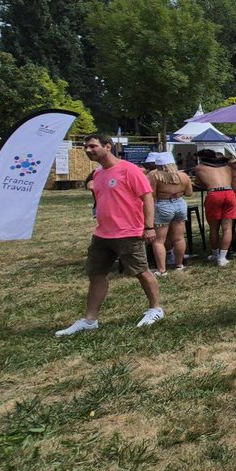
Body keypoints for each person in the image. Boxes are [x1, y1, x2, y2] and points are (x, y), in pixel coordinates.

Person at [55, 133, 163, 337]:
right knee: (96, 273)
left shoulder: (129, 170)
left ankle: (155, 309)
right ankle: (90, 320)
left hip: (128, 231)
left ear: (108, 147)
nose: (88, 150)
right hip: (103, 233)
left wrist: (148, 227)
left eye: (92, 146)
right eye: (86, 147)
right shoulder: (98, 174)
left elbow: (147, 197)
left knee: (141, 271)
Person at [148, 151, 192, 276]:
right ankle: (179, 264)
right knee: (179, 238)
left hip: (163, 204)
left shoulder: (155, 175)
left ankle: (162, 269)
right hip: (180, 204)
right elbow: (189, 193)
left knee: (158, 240)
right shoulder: (183, 176)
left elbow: (152, 194)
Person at [195, 147, 236, 266]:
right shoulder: (228, 167)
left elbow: (199, 183)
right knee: (227, 228)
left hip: (214, 194)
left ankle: (215, 254)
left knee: (214, 228)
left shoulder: (200, 168)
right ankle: (223, 258)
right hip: (229, 193)